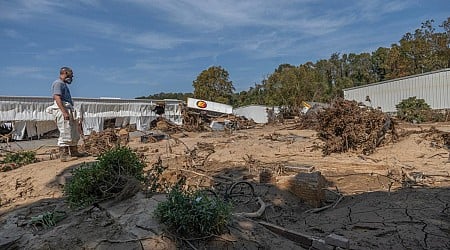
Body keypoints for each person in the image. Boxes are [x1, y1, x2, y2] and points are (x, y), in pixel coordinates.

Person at [48, 67, 85, 161]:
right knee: (65, 131)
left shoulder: (63, 84)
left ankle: (73, 151)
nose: (72, 77)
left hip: (68, 109)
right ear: (65, 73)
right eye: (70, 74)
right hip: (62, 110)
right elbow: (57, 97)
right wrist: (64, 112)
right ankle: (63, 155)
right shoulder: (58, 83)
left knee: (72, 131)